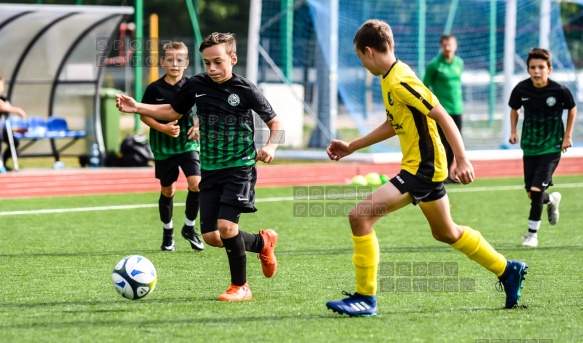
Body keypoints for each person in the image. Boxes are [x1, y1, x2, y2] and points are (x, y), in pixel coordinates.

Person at [325, 19, 527, 317]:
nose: (361, 63)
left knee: (360, 217)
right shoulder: (389, 77)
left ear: (368, 51)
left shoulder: (401, 79)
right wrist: (352, 146)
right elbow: (395, 123)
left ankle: (365, 298)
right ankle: (507, 269)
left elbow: (443, 115)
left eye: (358, 57)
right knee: (446, 232)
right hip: (422, 167)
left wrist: (463, 158)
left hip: (423, 168)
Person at [116, 32, 282, 302]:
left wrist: (271, 146)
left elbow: (275, 122)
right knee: (213, 236)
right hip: (210, 168)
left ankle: (241, 287)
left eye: (218, 62)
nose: (212, 69)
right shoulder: (196, 85)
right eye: (207, 63)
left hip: (239, 166)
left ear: (233, 59)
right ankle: (263, 242)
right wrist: (137, 108)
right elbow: (172, 111)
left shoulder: (245, 89)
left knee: (227, 228)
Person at [508, 48, 577, 248]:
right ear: (528, 69)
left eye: (541, 67)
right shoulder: (521, 89)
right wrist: (513, 131)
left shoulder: (559, 90)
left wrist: (567, 135)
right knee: (532, 193)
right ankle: (552, 200)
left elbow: (572, 109)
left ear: (549, 69)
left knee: (536, 189)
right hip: (530, 146)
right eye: (532, 68)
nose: (536, 71)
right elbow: (514, 109)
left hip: (551, 146)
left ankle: (532, 235)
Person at [141, 41, 204, 252]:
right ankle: (168, 232)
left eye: (179, 60)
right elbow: (144, 115)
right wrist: (163, 127)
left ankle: (189, 227)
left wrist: (198, 126)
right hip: (163, 149)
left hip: (188, 145)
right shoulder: (154, 89)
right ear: (162, 62)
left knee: (197, 184)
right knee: (168, 190)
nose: (174, 64)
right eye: (170, 60)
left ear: (186, 63)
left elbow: (205, 111)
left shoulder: (193, 86)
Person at [423, 34, 464, 183]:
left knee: (455, 142)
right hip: (442, 111)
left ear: (455, 46)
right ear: (441, 46)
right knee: (441, 143)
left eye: (451, 44)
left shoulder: (459, 63)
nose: (448, 47)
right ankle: (440, 173)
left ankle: (448, 174)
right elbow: (424, 86)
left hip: (457, 109)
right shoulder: (434, 65)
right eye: (445, 44)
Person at [0, 75, 27, 173]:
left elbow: (7, 106)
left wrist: (10, 107)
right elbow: (3, 107)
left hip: (1, 128)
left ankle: (2, 163)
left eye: (2, 84)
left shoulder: (3, 97)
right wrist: (18, 110)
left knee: (14, 142)